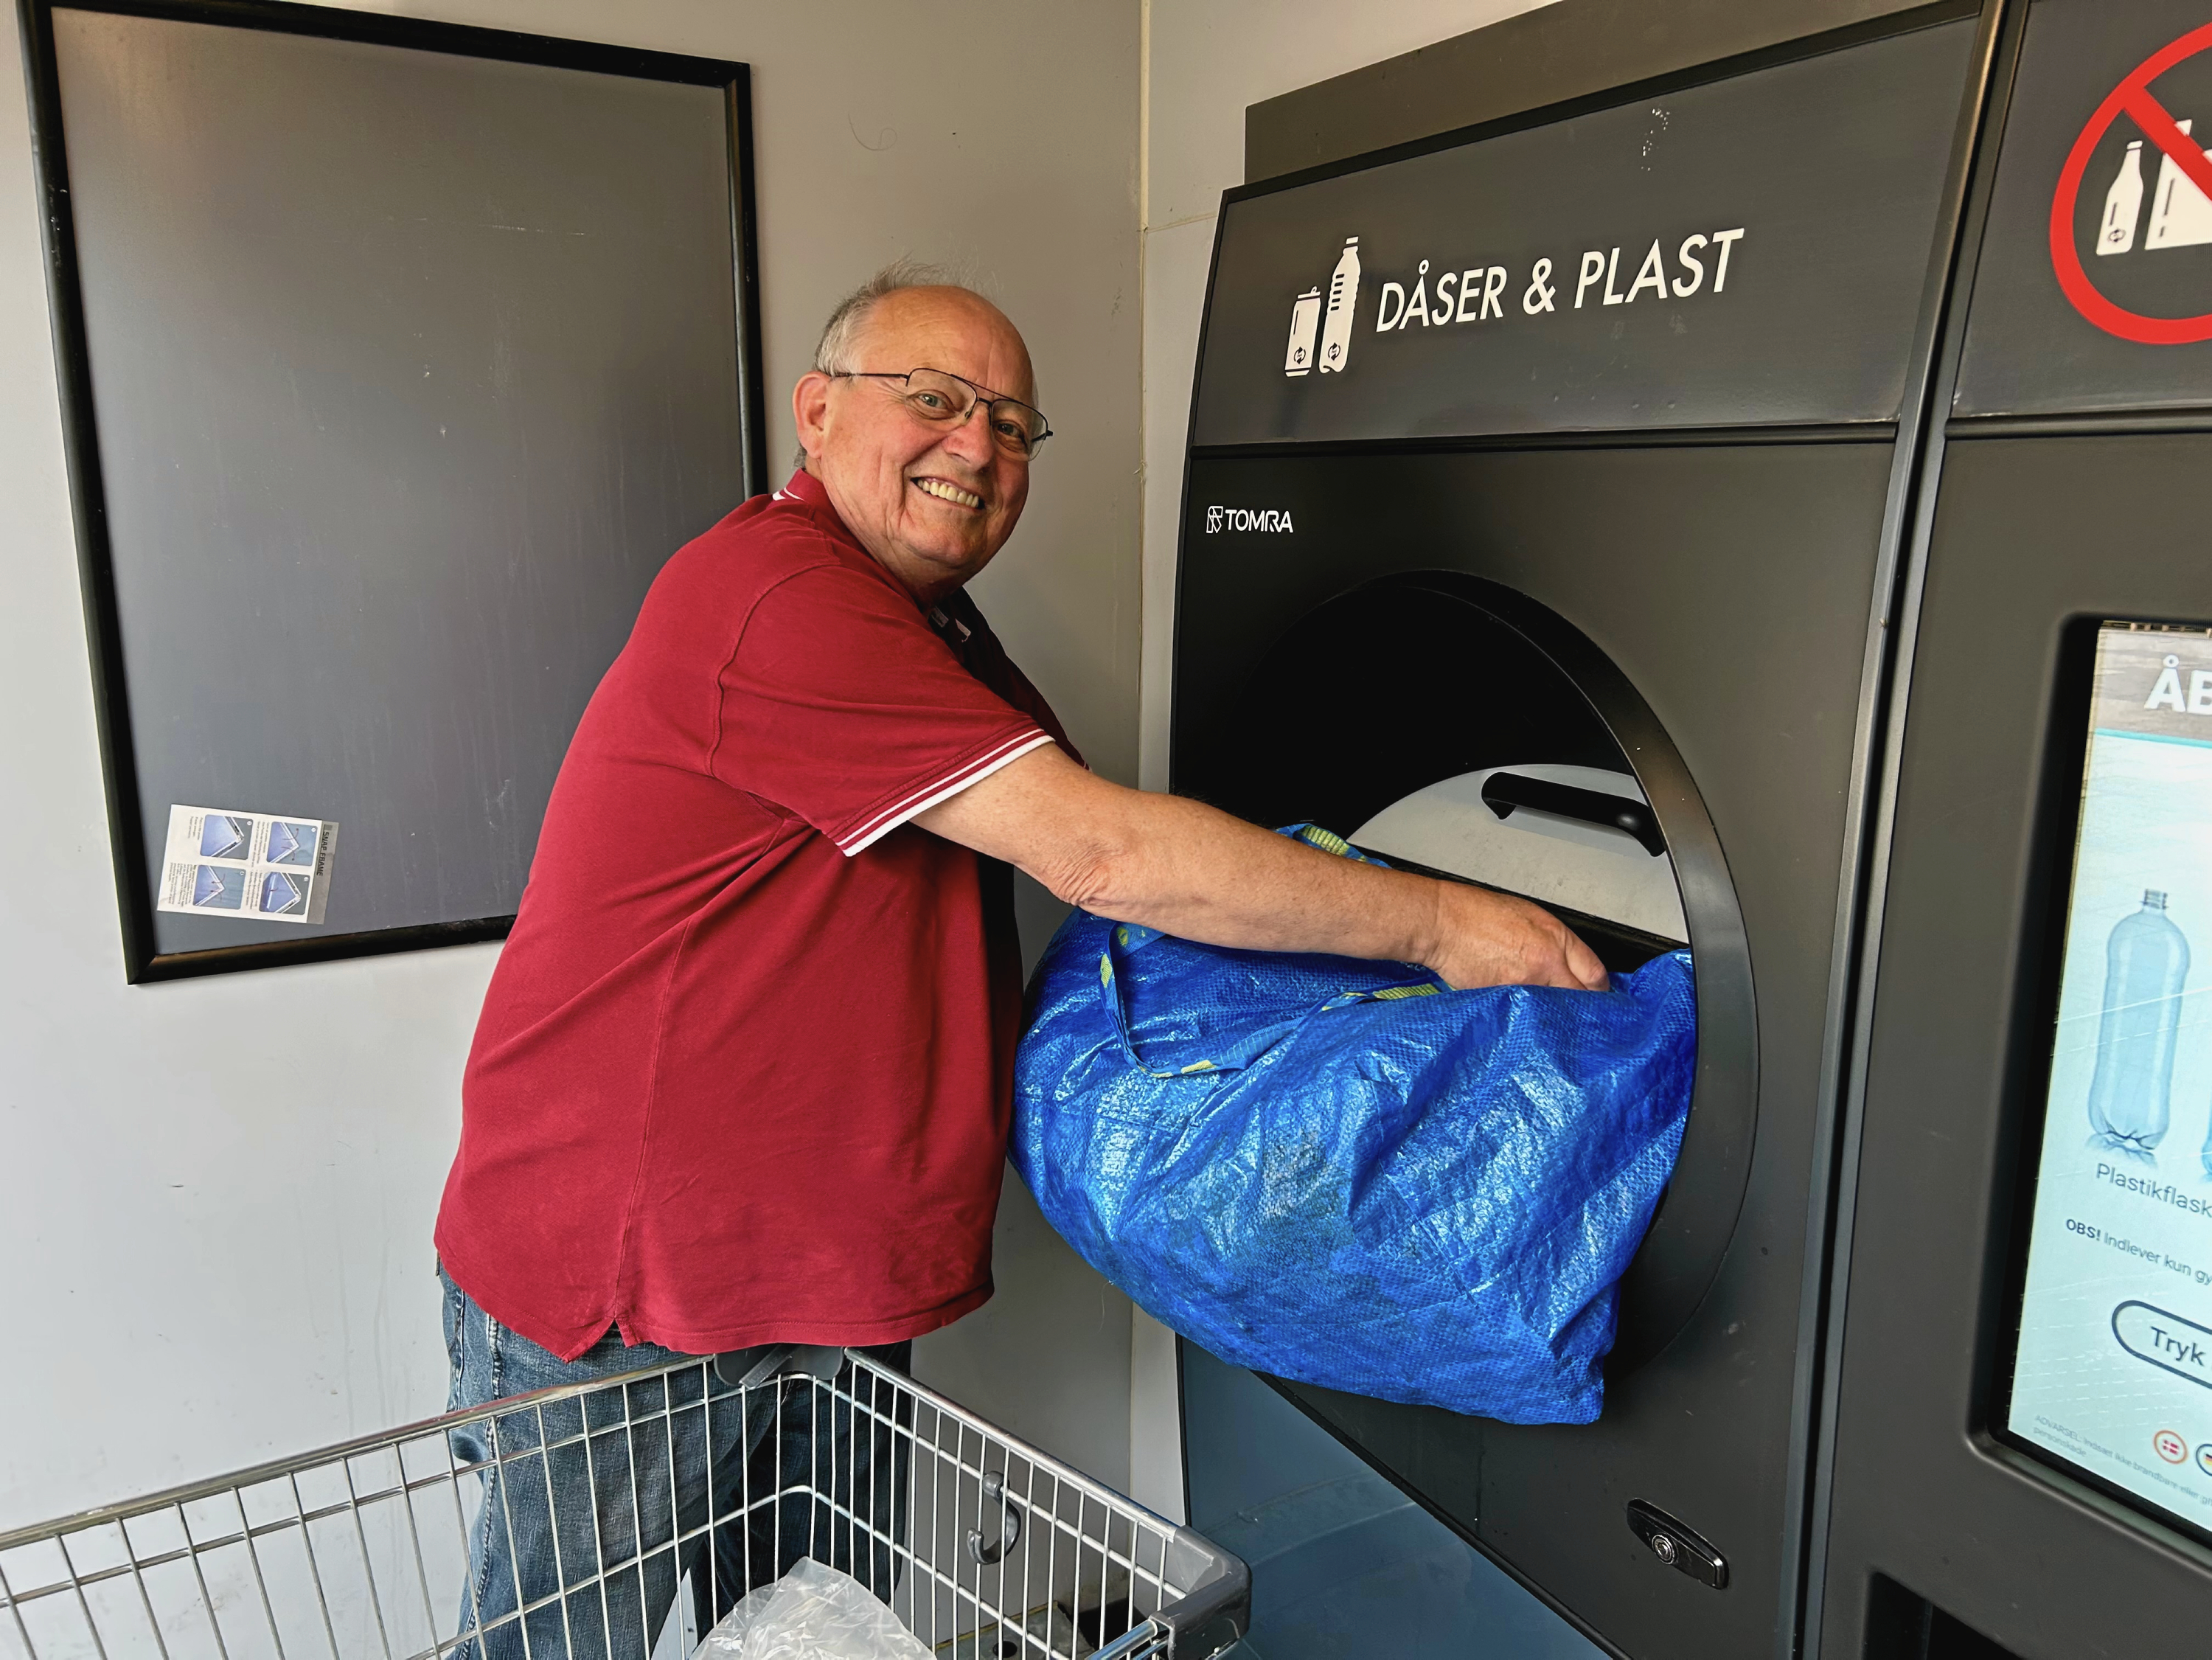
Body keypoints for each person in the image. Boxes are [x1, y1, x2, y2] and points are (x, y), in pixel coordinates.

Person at [433, 261, 1606, 1659]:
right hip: (638, 1286)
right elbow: (1102, 854)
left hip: (814, 1270)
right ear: (816, 412)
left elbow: (1100, 843)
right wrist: (1446, 925)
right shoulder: (774, 596)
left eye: (1011, 423)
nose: (977, 446)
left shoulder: (929, 620)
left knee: (813, 1638)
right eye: (932, 399)